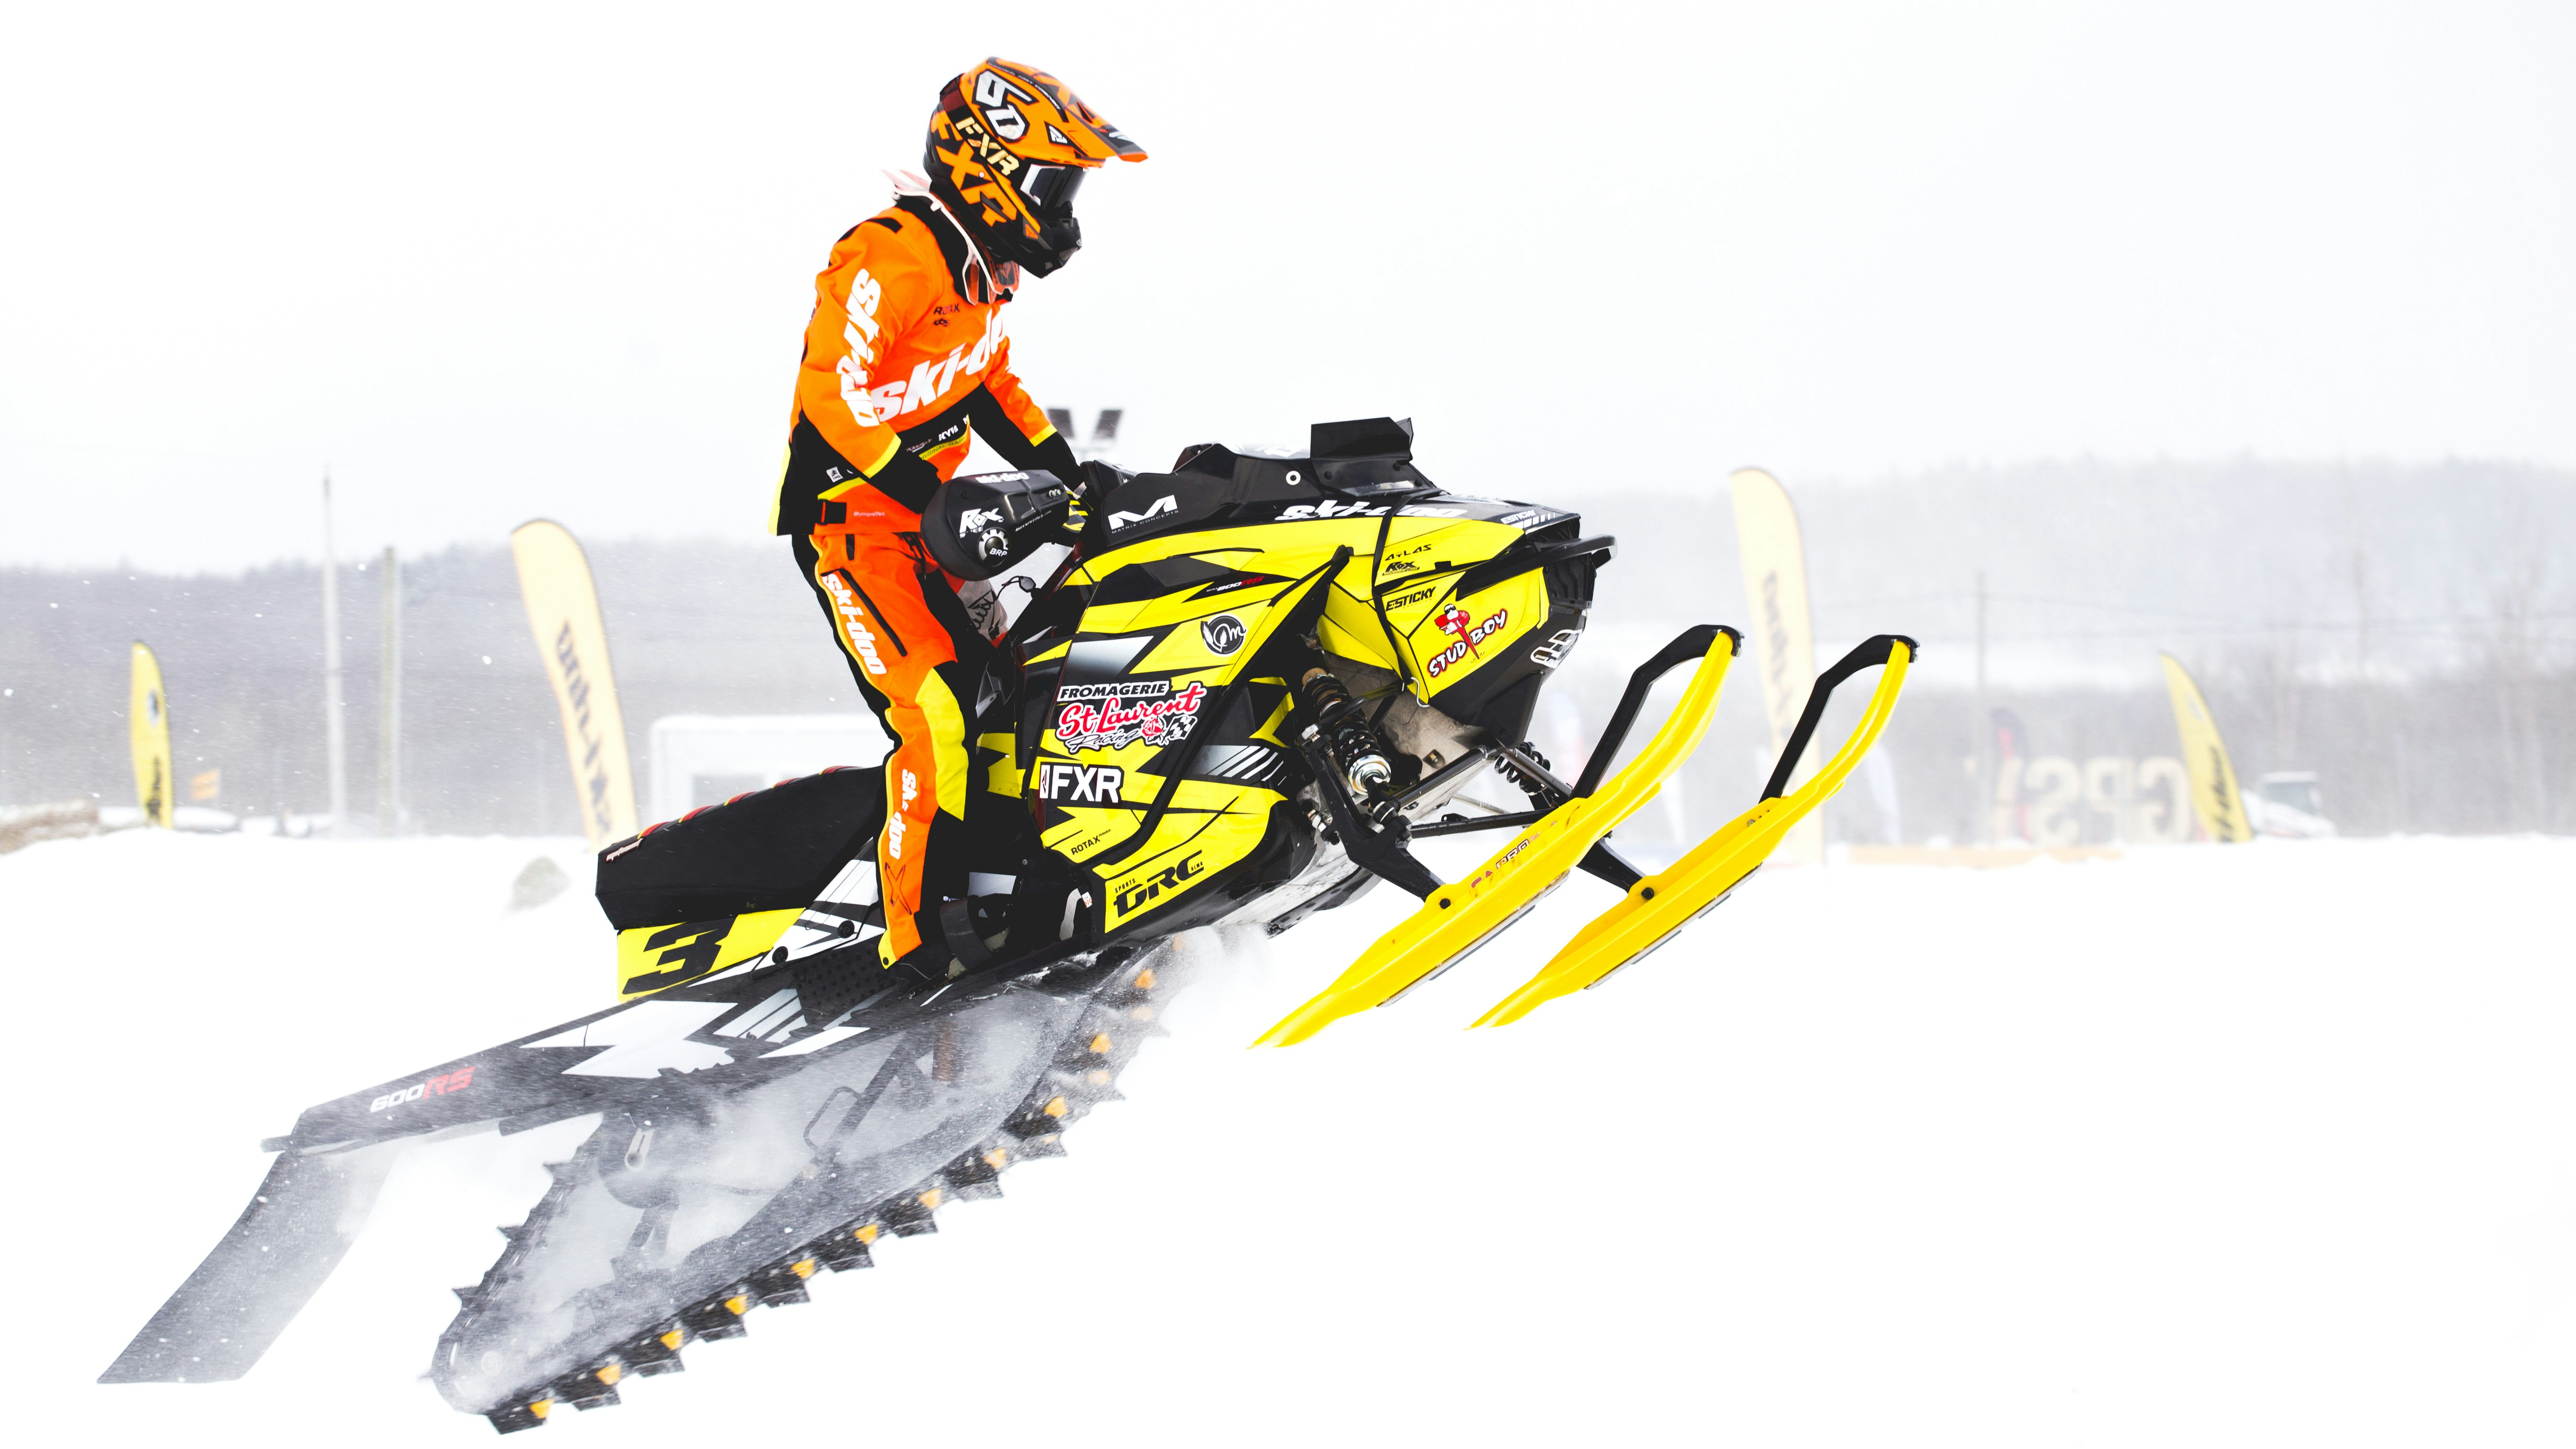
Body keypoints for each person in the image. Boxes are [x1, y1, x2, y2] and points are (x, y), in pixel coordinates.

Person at [774, 59, 1144, 973]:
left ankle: (1009, 891)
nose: (1066, 212)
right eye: (1056, 186)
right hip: (853, 530)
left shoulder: (987, 277)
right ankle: (916, 946)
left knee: (1019, 701)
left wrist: (1068, 473)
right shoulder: (888, 253)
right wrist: (924, 492)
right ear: (991, 170)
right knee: (937, 714)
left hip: (936, 533)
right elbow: (833, 395)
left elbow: (987, 383)